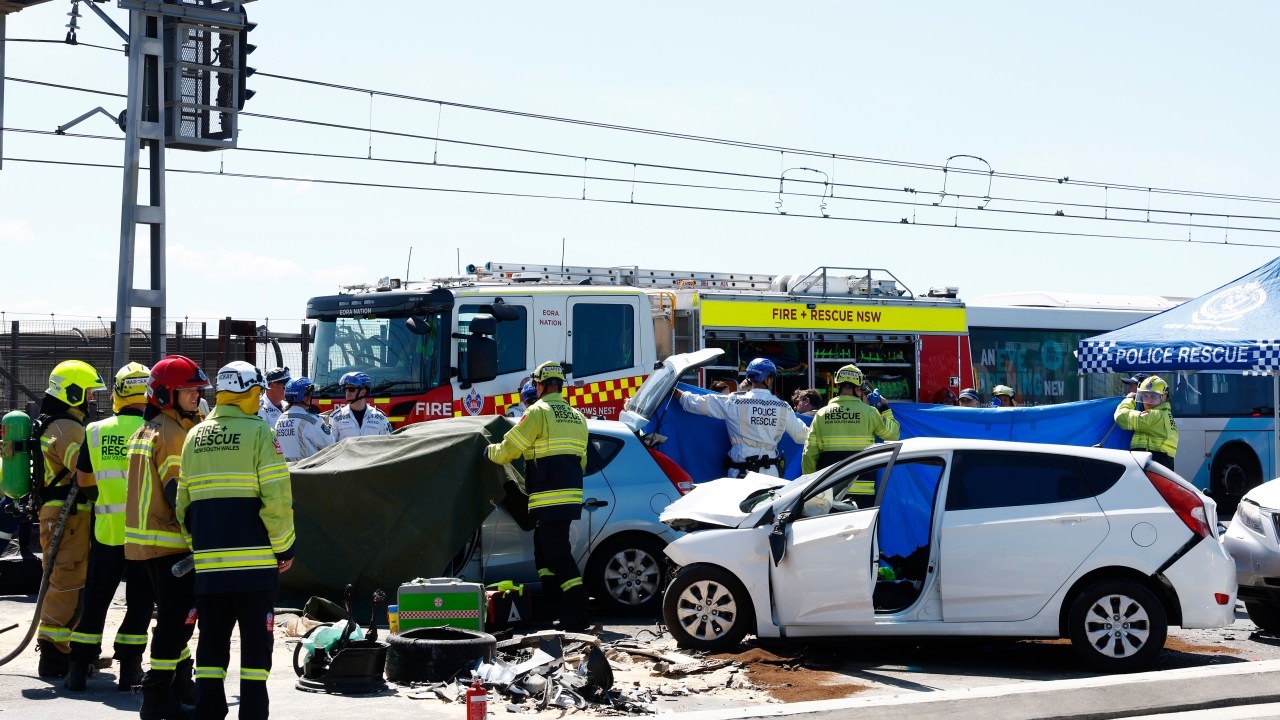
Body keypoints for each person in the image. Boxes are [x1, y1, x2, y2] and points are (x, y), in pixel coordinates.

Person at [178, 361, 295, 720]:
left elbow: (183, 505)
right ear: (248, 392)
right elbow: (276, 500)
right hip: (255, 568)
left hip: (210, 568)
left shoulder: (194, 436)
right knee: (256, 647)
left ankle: (208, 711)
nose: (260, 398)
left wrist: (199, 545)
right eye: (258, 392)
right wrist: (285, 547)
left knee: (211, 644)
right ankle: (253, 713)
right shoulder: (260, 433)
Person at [125, 354, 209, 718]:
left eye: (197, 389)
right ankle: (157, 698)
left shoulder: (147, 429)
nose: (196, 395)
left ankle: (179, 684)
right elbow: (180, 497)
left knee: (174, 621)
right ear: (165, 394)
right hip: (172, 544)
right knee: (177, 623)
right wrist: (205, 540)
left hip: (145, 546)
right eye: (188, 390)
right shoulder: (174, 435)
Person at [66, 362, 155, 692]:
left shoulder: (95, 431)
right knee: (140, 602)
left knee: (97, 598)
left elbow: (85, 481)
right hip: (146, 536)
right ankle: (130, 670)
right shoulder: (156, 431)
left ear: (118, 392)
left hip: (106, 530)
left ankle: (78, 666)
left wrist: (102, 499)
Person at [485, 361, 590, 631]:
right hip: (569, 497)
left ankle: (576, 615)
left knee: (557, 556)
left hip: (548, 497)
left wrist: (488, 452)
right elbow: (583, 462)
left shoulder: (537, 412)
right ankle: (552, 607)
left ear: (539, 385)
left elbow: (511, 448)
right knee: (543, 554)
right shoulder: (577, 416)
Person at [33, 360, 105, 678]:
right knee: (66, 581)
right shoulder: (68, 428)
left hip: (68, 514)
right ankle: (53, 654)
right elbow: (84, 469)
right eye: (89, 393)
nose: (93, 399)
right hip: (68, 513)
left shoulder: (59, 423)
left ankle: (71, 650)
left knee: (73, 581)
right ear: (73, 392)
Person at [672, 358, 809, 478]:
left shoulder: (735, 401)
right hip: (769, 474)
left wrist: (675, 392)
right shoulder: (782, 407)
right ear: (768, 379)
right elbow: (801, 435)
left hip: (740, 472)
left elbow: (699, 403)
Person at [802, 365, 900, 475]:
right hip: (863, 488)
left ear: (838, 386)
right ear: (858, 389)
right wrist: (882, 407)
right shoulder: (869, 412)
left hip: (829, 488)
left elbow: (809, 454)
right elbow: (894, 435)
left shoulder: (821, 414)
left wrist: (810, 483)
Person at [1115, 375, 1179, 471]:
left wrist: (1129, 400)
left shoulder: (1154, 415)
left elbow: (1121, 417)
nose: (1148, 401)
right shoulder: (1165, 414)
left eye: (1153, 397)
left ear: (1164, 397)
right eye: (1145, 396)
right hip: (1159, 464)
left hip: (1151, 464)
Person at [274, 377, 334, 462]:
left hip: (285, 472)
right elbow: (331, 446)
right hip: (306, 472)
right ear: (305, 397)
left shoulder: (280, 419)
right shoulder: (312, 420)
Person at [329, 371, 392, 441]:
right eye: (345, 389)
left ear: (363, 392)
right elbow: (330, 446)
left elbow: (387, 444)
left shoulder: (380, 417)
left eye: (351, 389)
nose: (347, 393)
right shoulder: (336, 417)